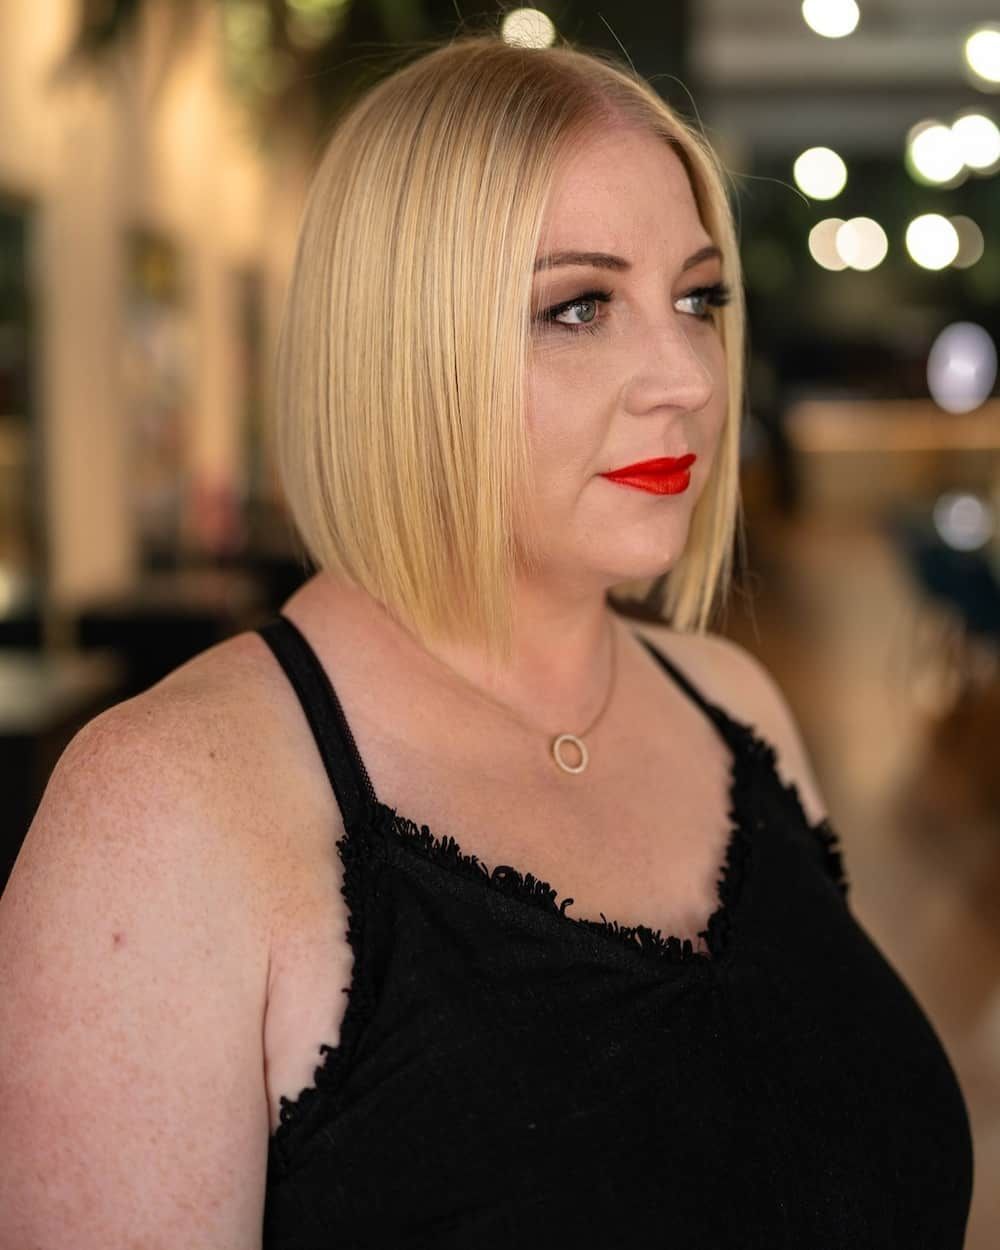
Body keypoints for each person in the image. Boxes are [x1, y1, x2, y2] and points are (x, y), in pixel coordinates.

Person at [0, 31, 974, 1250]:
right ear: (401, 349)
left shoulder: (735, 704)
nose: (684, 375)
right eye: (578, 307)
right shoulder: (164, 814)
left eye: (698, 298)